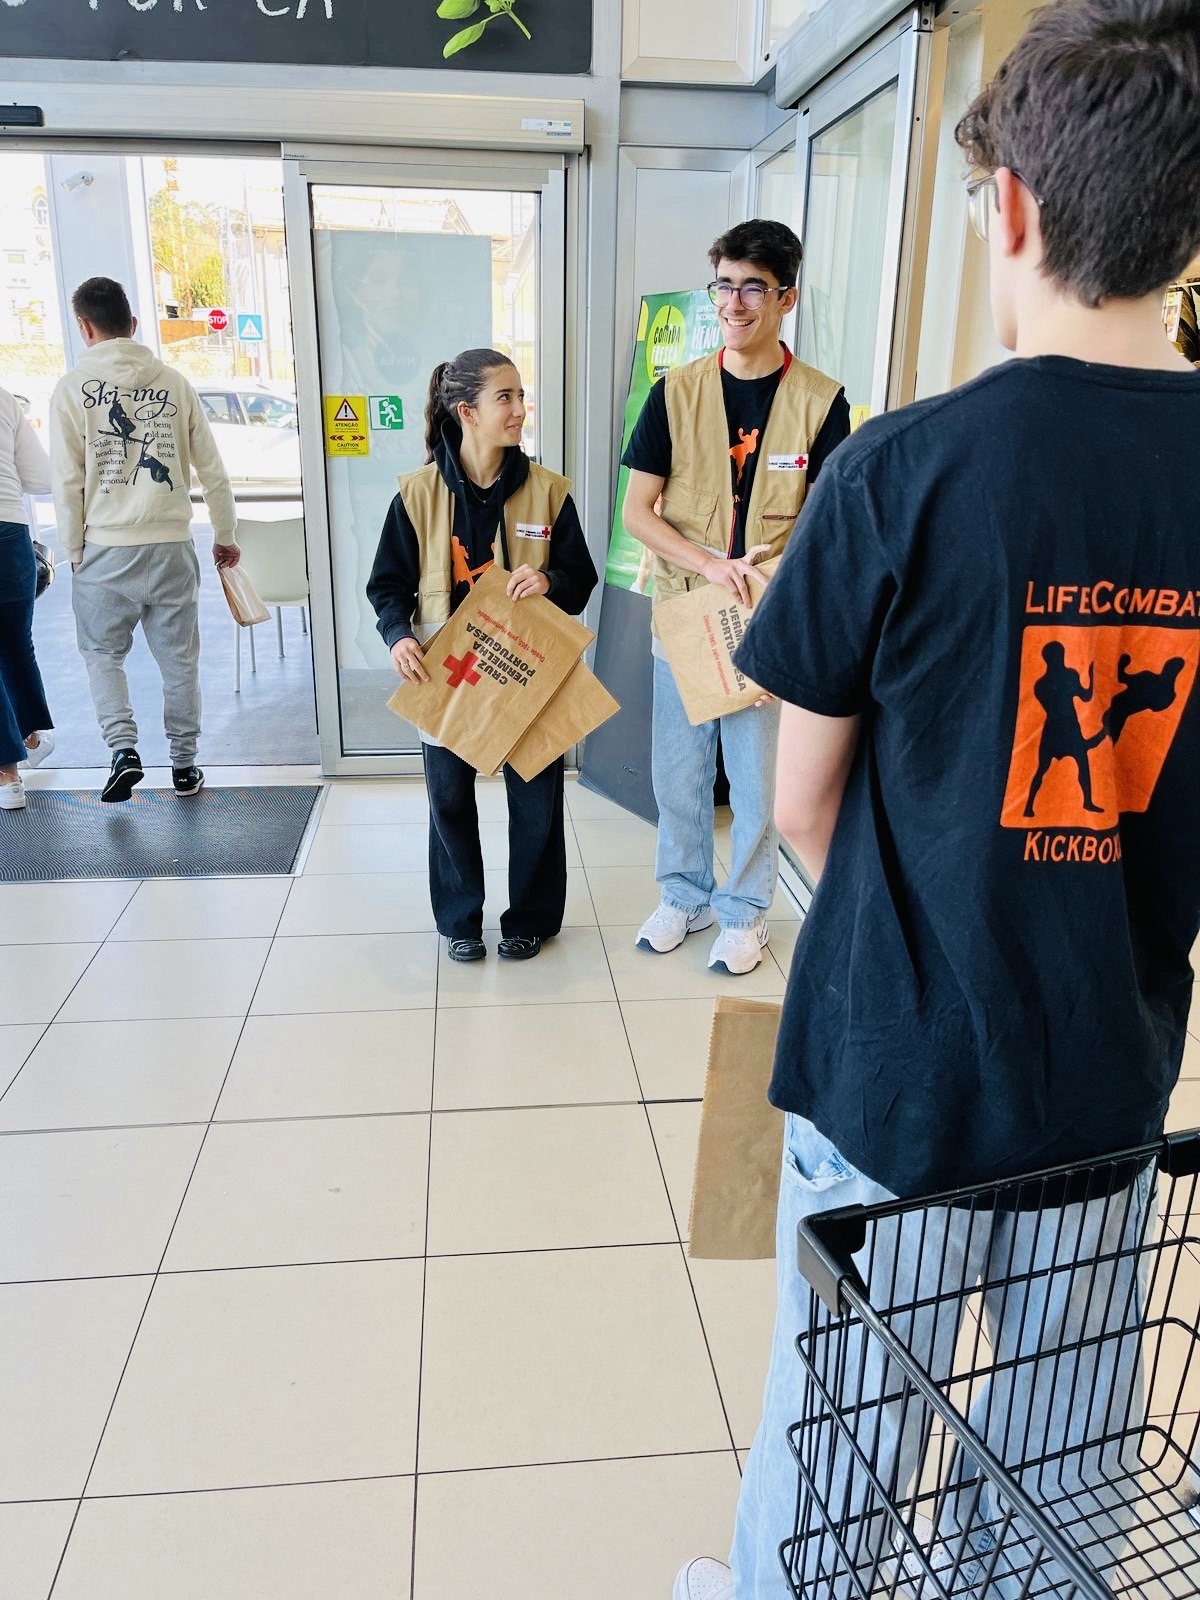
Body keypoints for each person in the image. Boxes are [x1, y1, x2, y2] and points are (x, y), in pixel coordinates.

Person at [674, 2, 1200, 1596]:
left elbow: (802, 805)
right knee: (1058, 1467)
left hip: (897, 1072)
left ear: (1012, 208)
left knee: (839, 1446)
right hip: (1105, 1074)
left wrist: (948, 904)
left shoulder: (899, 472)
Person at [622, 219, 851, 976]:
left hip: (769, 617)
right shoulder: (674, 392)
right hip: (687, 611)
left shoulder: (821, 401)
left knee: (755, 779)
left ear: (786, 298)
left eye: (754, 287)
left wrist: (769, 590)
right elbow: (638, 513)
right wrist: (710, 566)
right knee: (679, 772)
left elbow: (827, 526)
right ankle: (683, 894)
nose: (734, 303)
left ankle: (746, 912)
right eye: (724, 285)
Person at [366, 348, 597, 962]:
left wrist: (549, 581)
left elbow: (580, 578)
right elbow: (387, 584)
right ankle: (460, 921)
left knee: (537, 800)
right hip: (448, 671)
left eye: (521, 396)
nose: (520, 410)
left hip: (527, 670)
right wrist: (399, 635)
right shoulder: (416, 494)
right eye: (506, 398)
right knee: (448, 799)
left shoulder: (549, 491)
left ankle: (531, 918)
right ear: (467, 411)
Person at [49, 277, 240, 803]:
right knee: (179, 660)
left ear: (84, 328)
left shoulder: (71, 389)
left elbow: (67, 482)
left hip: (105, 548)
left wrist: (74, 551)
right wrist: (224, 534)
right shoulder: (174, 383)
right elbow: (213, 472)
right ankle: (184, 765)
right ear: (132, 324)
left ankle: (123, 750)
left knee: (101, 653)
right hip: (171, 544)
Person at [0, 384, 56, 811]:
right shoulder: (3, 399)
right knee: (15, 641)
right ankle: (31, 737)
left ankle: (8, 775)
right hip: (9, 532)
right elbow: (41, 478)